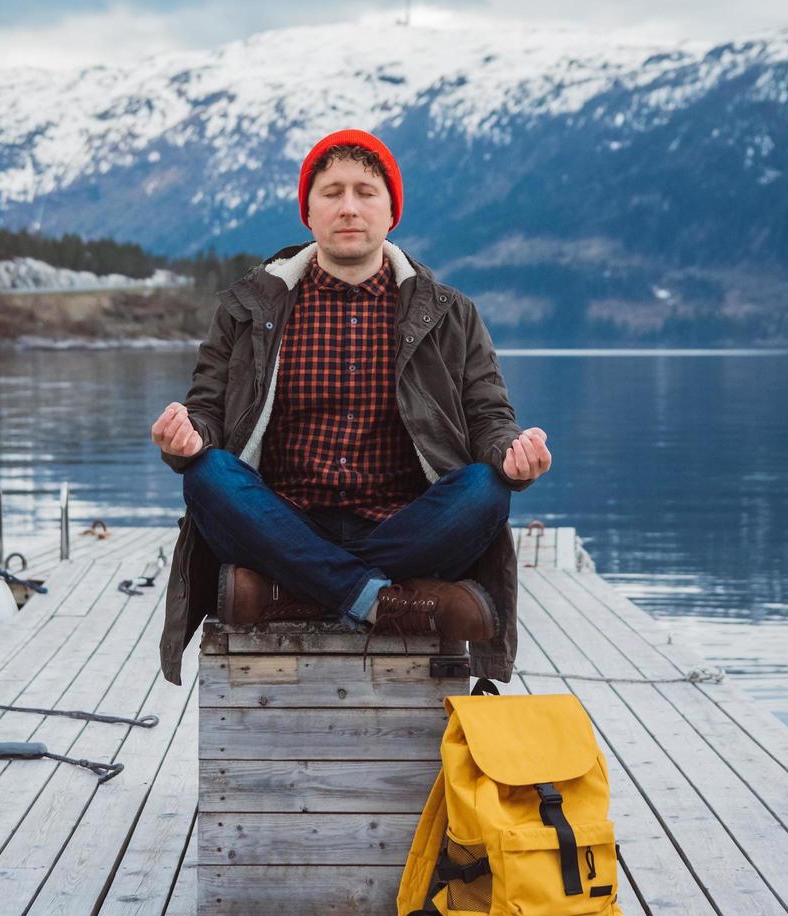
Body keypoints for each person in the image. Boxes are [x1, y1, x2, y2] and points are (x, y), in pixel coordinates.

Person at [150, 128, 550, 686]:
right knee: (208, 474)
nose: (349, 207)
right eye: (331, 192)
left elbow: (488, 417)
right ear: (308, 213)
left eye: (366, 191)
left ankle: (294, 591)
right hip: (282, 518)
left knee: (486, 490)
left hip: (403, 525)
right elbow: (208, 410)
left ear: (391, 212)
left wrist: (512, 453)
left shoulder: (452, 314)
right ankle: (381, 598)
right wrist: (187, 435)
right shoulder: (248, 307)